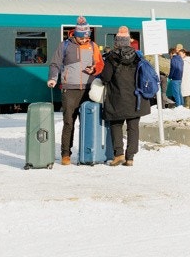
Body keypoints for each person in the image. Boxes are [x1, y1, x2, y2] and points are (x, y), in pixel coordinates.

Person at [46, 17, 104, 165]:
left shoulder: (93, 45)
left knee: (88, 122)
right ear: (76, 35)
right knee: (68, 122)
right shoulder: (65, 46)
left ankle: (87, 151)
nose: (85, 40)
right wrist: (53, 78)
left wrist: (94, 69)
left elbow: (100, 64)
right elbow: (55, 63)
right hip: (69, 89)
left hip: (88, 89)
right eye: (82, 38)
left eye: (87, 37)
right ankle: (66, 154)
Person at [98, 27, 149, 166]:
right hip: (136, 98)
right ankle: (130, 157)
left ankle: (119, 154)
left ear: (116, 42)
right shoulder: (138, 57)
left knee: (116, 125)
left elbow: (106, 78)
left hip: (117, 98)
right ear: (128, 42)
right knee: (133, 127)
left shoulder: (112, 57)